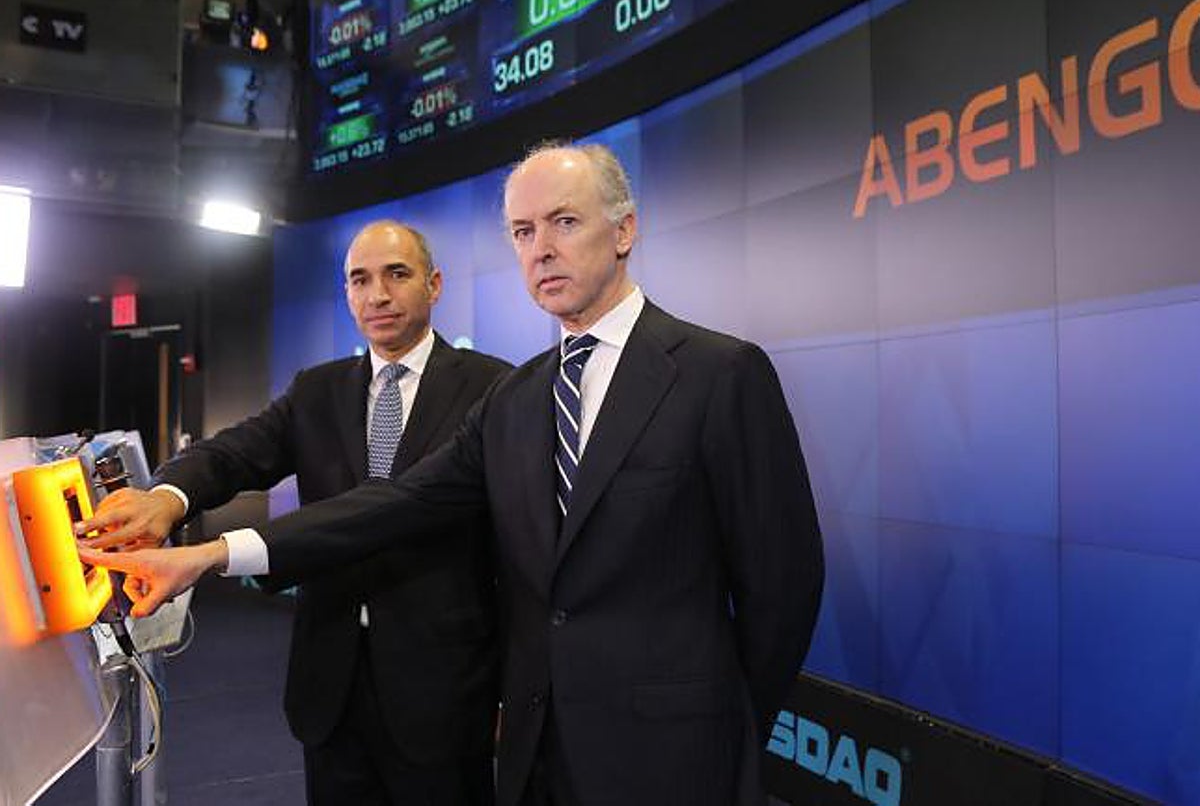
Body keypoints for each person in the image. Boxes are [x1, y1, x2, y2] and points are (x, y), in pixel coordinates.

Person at [83, 142, 825, 806]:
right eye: (523, 232)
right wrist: (212, 553)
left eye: (564, 223)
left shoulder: (719, 373)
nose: (541, 250)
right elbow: (395, 503)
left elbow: (783, 586)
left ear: (624, 231)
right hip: (539, 751)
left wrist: (722, 723)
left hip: (672, 756)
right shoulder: (519, 398)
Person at [83, 221, 511, 805]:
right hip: (329, 686)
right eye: (360, 280)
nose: (377, 295)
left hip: (444, 689)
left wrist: (512, 691)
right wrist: (167, 495)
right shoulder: (318, 390)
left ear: (434, 285)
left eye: (397, 274)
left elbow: (514, 553)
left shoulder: (495, 388)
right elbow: (235, 452)